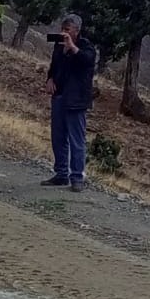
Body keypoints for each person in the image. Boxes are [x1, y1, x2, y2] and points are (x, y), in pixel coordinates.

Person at [42, 13, 97, 191]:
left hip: (76, 100)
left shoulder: (86, 47)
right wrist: (50, 79)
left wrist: (72, 47)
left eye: (67, 30)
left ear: (76, 31)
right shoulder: (59, 47)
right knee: (58, 137)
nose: (63, 33)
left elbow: (87, 61)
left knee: (76, 140)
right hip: (59, 96)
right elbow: (54, 65)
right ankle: (61, 174)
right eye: (62, 29)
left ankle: (77, 177)